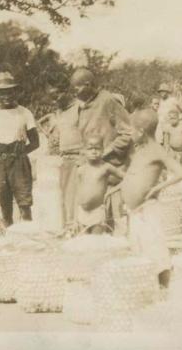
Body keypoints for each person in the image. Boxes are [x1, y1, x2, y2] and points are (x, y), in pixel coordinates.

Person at [56, 68, 132, 231]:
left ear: (88, 85)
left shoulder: (108, 101)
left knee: (111, 220)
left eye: (77, 87)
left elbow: (128, 133)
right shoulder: (81, 106)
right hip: (89, 168)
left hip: (108, 169)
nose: (73, 91)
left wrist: (107, 151)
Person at [120, 109, 182, 288]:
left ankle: (165, 290)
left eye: (132, 130)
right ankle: (147, 288)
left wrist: (157, 188)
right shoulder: (139, 150)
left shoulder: (157, 150)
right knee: (139, 250)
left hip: (147, 208)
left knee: (156, 250)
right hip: (135, 210)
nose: (130, 134)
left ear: (141, 131)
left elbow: (181, 172)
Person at [0, 72, 39, 226]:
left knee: (24, 202)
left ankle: (27, 238)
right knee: (4, 202)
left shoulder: (25, 112)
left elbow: (35, 142)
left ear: (15, 92)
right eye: (2, 93)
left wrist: (19, 153)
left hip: (19, 162)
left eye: (9, 92)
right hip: (0, 163)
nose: (6, 96)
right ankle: (8, 238)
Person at [77, 135, 126, 234]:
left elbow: (127, 178)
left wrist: (112, 191)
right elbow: (77, 193)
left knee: (96, 243)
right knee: (83, 243)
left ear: (103, 150)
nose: (94, 151)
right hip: (82, 212)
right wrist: (75, 218)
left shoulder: (106, 167)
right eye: (90, 148)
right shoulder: (81, 170)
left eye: (97, 148)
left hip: (97, 212)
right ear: (84, 151)